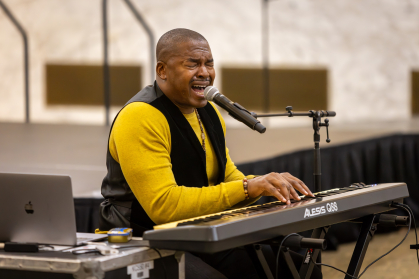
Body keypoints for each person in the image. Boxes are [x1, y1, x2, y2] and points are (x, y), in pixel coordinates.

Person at [99, 28, 321, 279]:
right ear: (162, 70)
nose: (205, 73)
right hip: (140, 241)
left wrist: (269, 184)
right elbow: (163, 206)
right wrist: (250, 187)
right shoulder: (140, 116)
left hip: (194, 233)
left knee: (297, 267)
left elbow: (227, 177)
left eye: (209, 64)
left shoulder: (209, 113)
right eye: (192, 64)